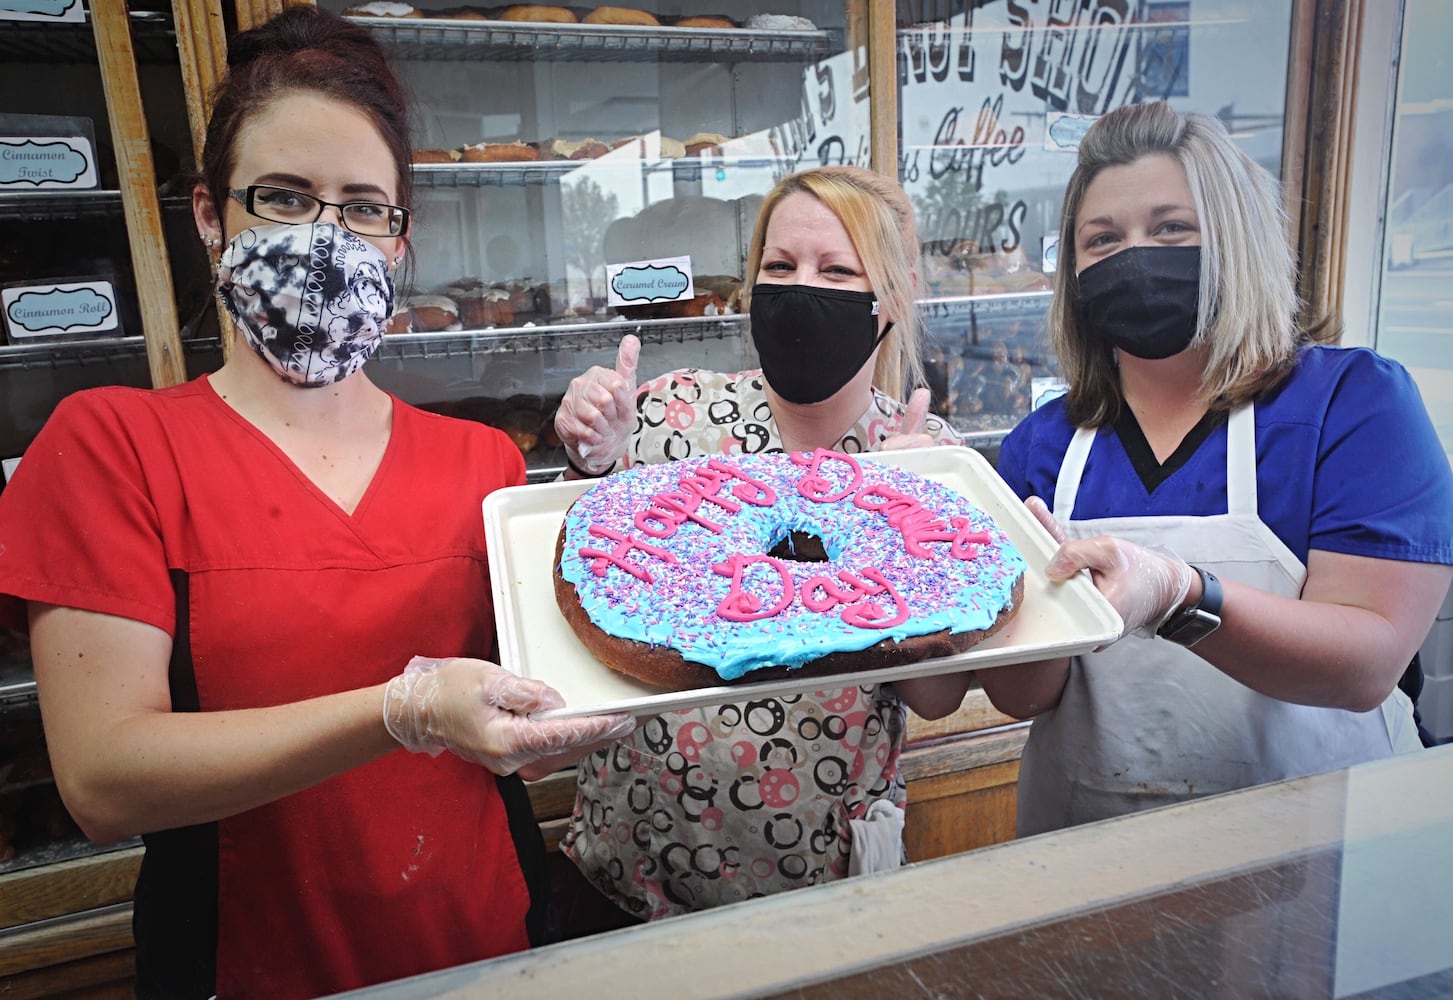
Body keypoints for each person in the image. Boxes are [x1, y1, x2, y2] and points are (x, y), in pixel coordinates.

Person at [0, 8, 633, 998]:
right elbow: (104, 781)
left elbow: (523, 748)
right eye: (284, 198)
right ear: (211, 214)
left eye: (361, 206)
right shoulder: (115, 446)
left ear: (400, 236)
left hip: (493, 948)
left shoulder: (480, 463)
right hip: (243, 967)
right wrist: (400, 710)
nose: (324, 239)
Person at [979, 101, 1453, 836]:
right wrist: (1001, 597)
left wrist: (1176, 595)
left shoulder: (1350, 405)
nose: (1133, 255)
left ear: (1235, 240)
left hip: (1315, 841)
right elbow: (1022, 697)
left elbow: (1364, 667)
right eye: (1101, 239)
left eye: (1170, 228)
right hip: (1091, 844)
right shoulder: (1043, 445)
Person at [551, 165, 972, 930]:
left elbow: (938, 698)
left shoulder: (923, 461)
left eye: (835, 269)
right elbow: (581, 576)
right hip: (627, 867)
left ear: (893, 295)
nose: (801, 287)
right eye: (779, 267)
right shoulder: (670, 413)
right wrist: (592, 454)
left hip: (817, 890)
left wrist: (903, 537)